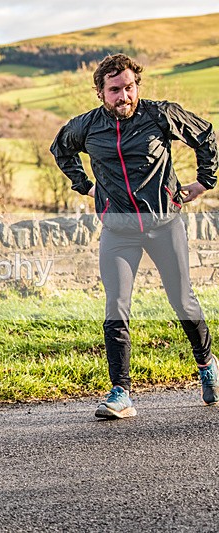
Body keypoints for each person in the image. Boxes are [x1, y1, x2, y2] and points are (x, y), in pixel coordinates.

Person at [50, 53, 219, 419]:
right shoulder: (86, 126)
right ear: (100, 92)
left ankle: (207, 363)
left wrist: (204, 182)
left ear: (137, 86)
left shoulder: (160, 115)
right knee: (116, 306)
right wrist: (85, 186)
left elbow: (205, 135)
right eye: (115, 90)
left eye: (129, 87)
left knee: (182, 301)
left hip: (164, 225)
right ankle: (121, 392)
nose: (123, 96)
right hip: (118, 230)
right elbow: (60, 150)